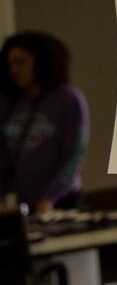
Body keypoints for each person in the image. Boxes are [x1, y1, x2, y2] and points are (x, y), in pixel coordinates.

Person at [1, 30, 90, 217]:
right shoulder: (9, 103)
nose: (14, 70)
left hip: (61, 202)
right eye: (10, 64)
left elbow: (74, 156)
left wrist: (49, 198)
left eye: (21, 62)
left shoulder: (68, 98)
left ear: (40, 61)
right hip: (22, 203)